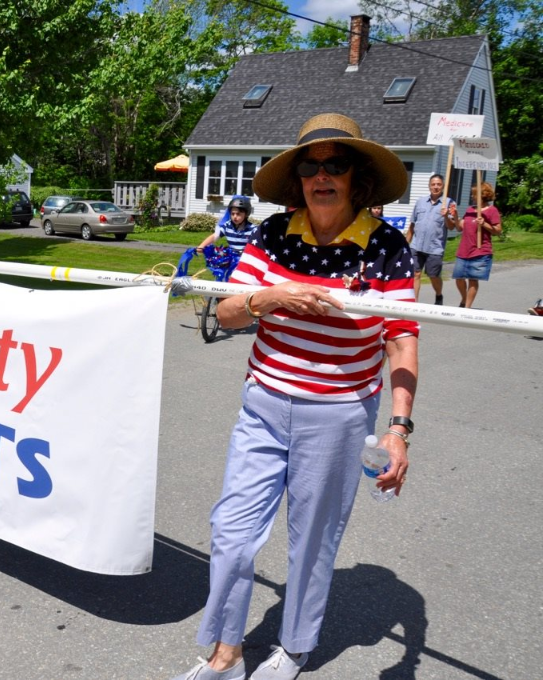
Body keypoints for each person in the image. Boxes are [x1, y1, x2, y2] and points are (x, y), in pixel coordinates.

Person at [171, 114, 418, 680]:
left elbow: (403, 342)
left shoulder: (387, 247)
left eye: (336, 164)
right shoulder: (274, 232)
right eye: (311, 165)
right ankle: (225, 654)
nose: (322, 175)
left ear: (357, 177)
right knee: (231, 534)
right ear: (299, 178)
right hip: (263, 404)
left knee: (312, 541)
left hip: (339, 415)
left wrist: (399, 430)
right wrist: (270, 297)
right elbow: (229, 312)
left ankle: (295, 647)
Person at [407, 173, 458, 304]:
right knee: (415, 274)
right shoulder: (420, 202)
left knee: (433, 275)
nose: (436, 187)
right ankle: (414, 303)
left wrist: (446, 216)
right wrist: (406, 243)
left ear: (443, 186)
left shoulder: (449, 203)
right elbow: (412, 224)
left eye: (439, 184)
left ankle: (439, 294)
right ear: (429, 186)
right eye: (433, 184)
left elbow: (452, 227)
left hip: (435, 247)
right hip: (416, 245)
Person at [453, 181, 502, 309]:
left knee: (473, 279)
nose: (472, 196)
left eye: (474, 194)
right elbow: (459, 227)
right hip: (464, 250)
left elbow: (498, 231)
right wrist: (455, 216)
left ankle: (467, 307)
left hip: (480, 250)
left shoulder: (492, 211)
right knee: (459, 278)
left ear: (483, 195)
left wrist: (484, 224)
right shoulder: (470, 210)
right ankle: (464, 299)